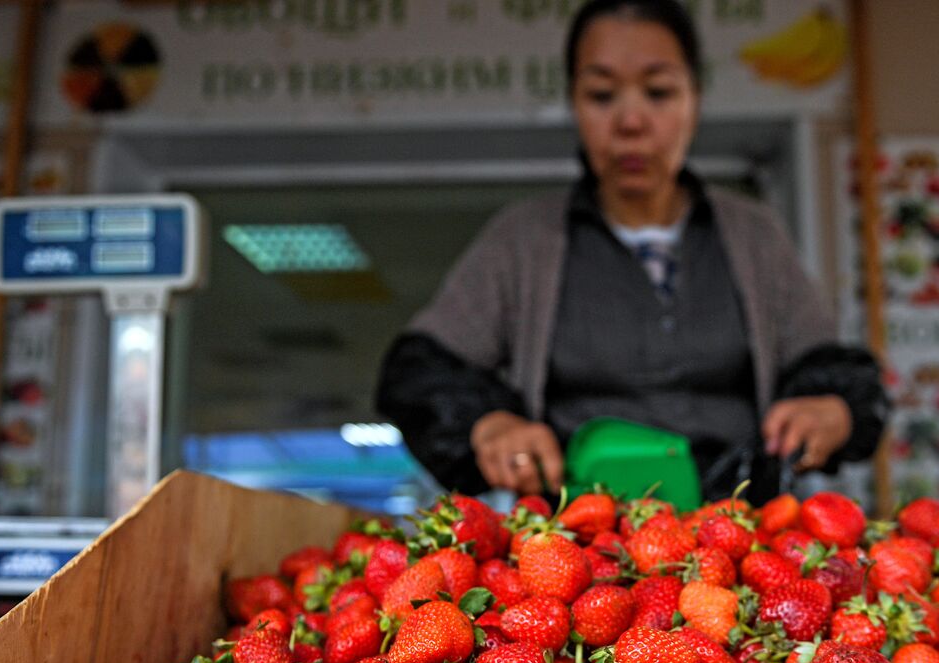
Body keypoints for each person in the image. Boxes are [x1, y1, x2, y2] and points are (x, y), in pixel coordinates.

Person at [376, 0, 887, 503]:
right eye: (601, 95)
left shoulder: (754, 234)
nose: (631, 121)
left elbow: (828, 371)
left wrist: (833, 409)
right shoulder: (523, 239)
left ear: (695, 100)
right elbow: (420, 372)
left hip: (737, 546)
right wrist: (488, 424)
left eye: (659, 92)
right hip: (577, 558)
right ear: (574, 103)